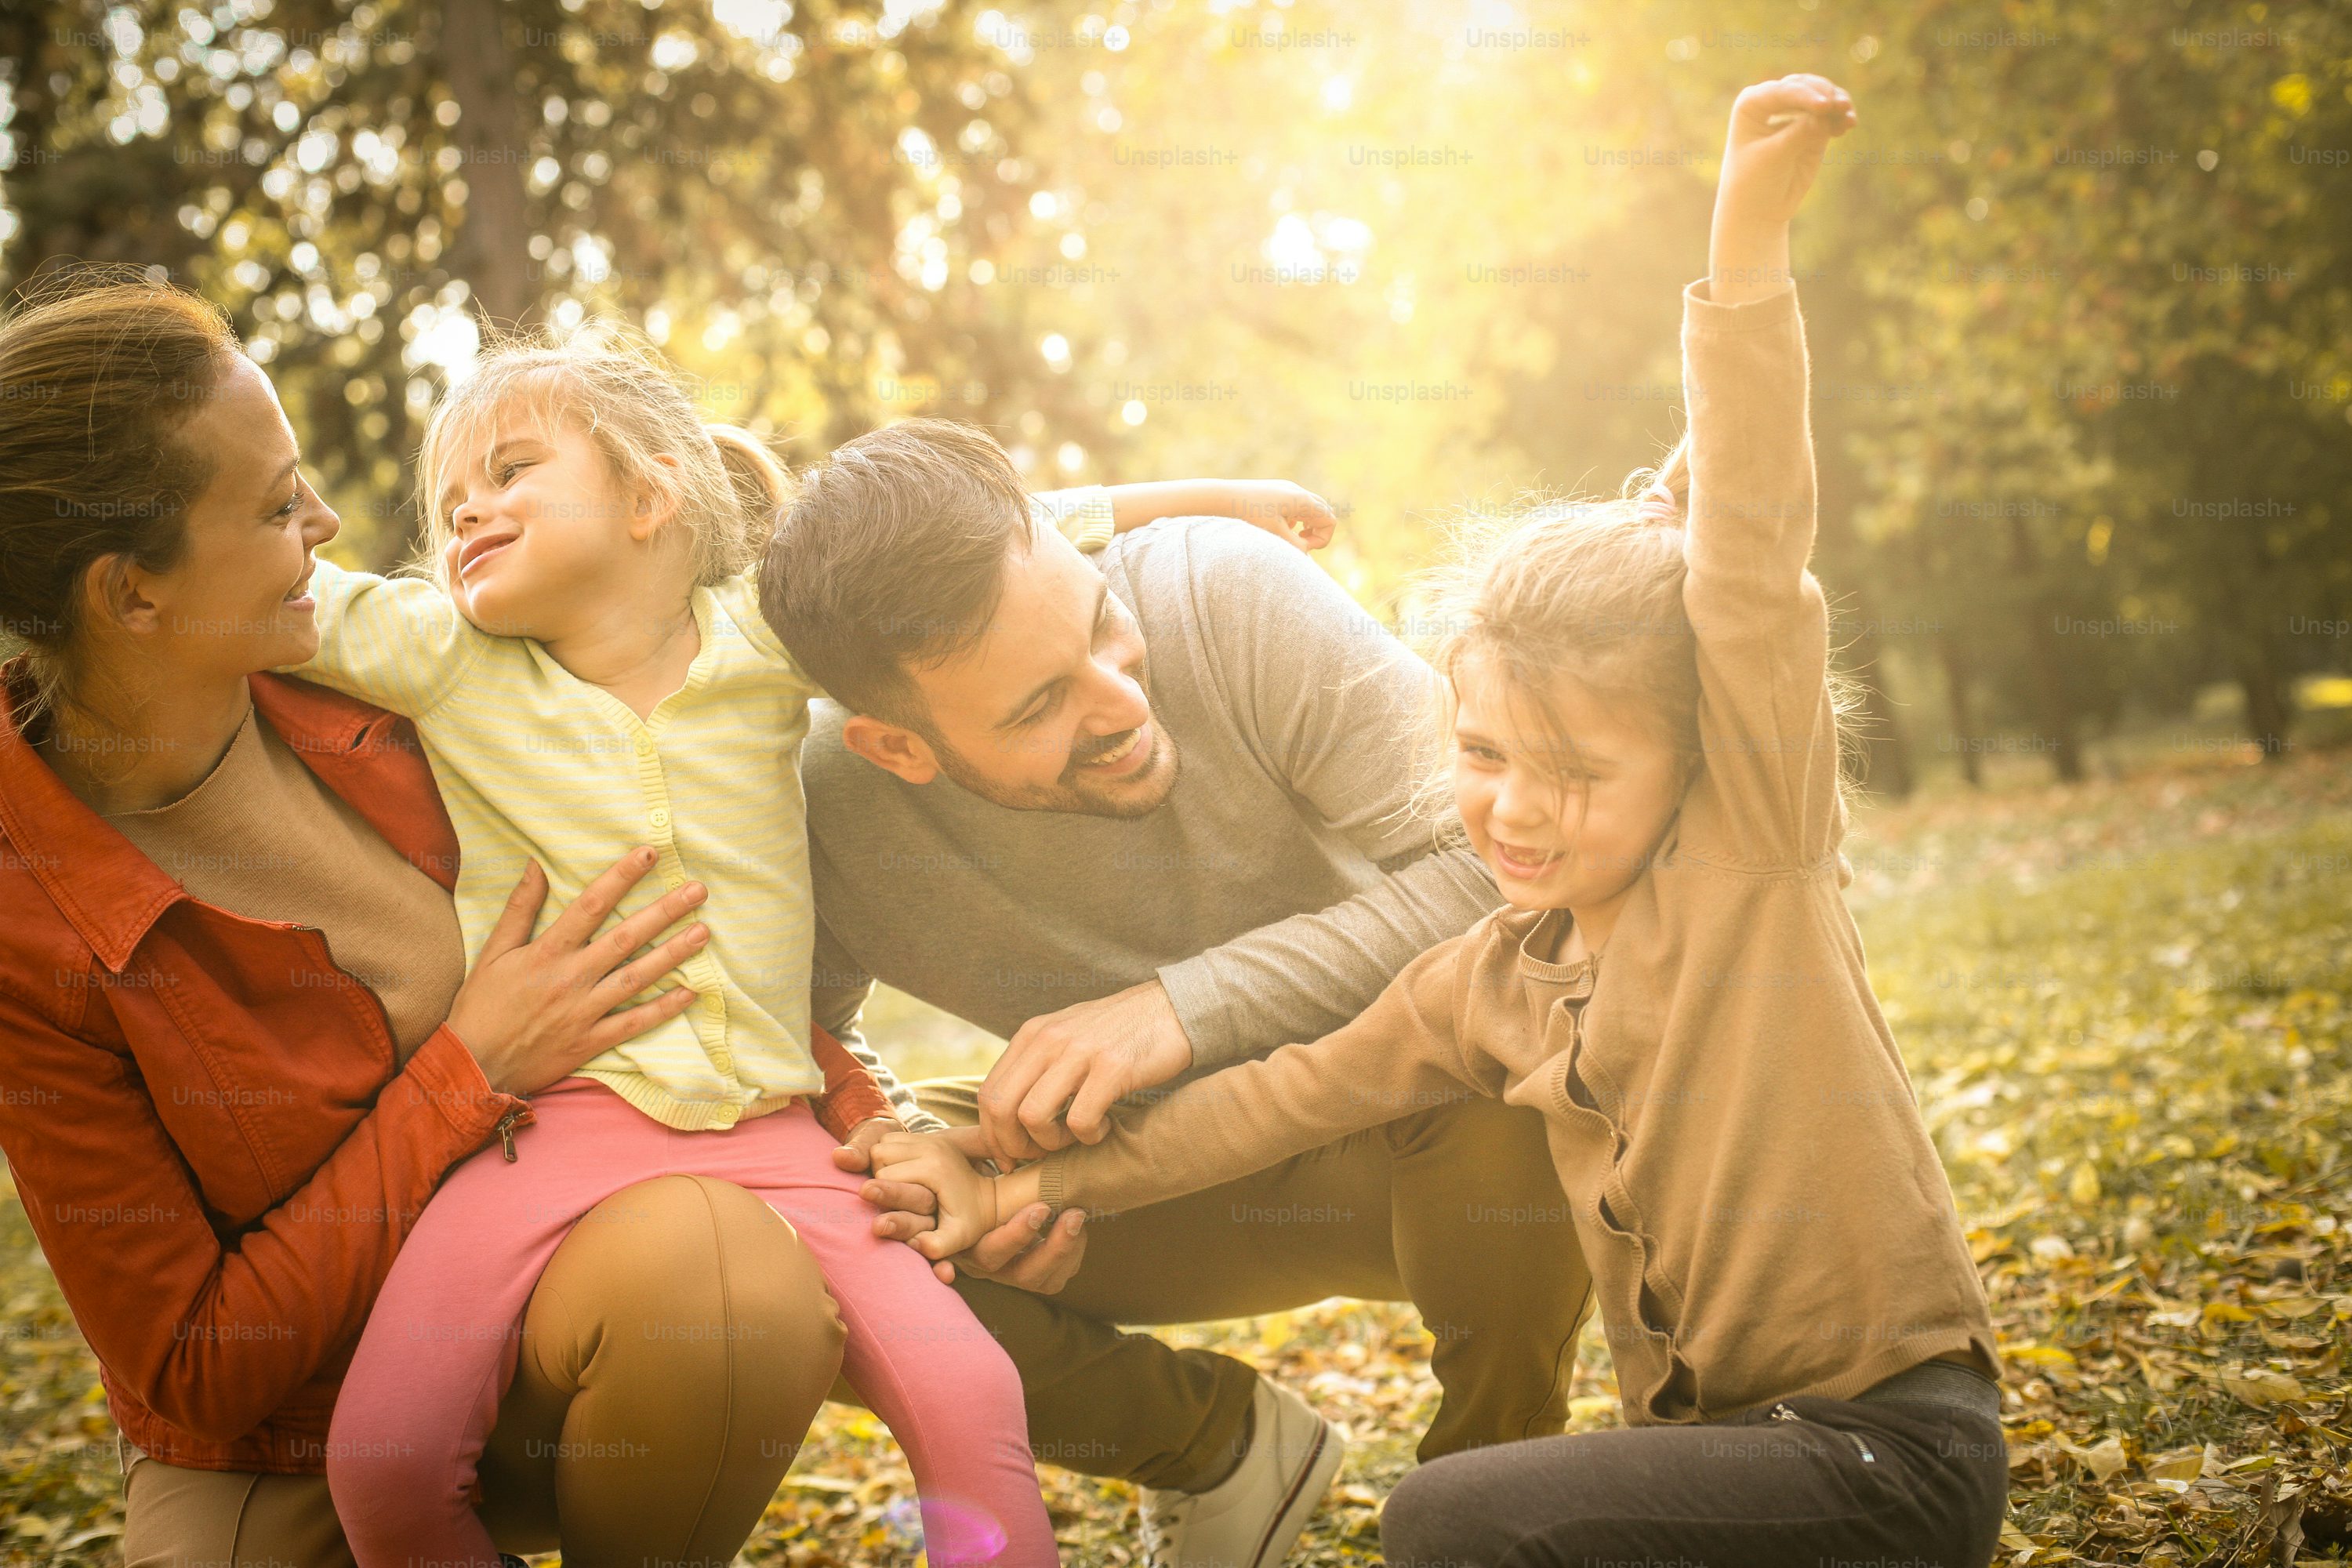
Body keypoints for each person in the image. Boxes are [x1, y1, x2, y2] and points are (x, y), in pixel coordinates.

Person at [872, 74, 2013, 1568]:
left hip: (1887, 1455)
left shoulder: (1755, 861)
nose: (1516, 809)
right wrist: (1014, 1181)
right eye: (1481, 751)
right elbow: (1258, 1104)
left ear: (1692, 756)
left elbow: (1748, 555)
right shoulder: (1491, 979)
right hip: (1733, 1469)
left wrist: (1744, 243)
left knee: (1454, 1521)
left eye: (1576, 774)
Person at [288, 323, 1332, 1568]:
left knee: (972, 1399)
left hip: (781, 1137)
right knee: (386, 1467)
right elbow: (269, 600)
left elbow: (976, 549)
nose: (467, 512)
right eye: (450, 501)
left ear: (647, 494)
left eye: (509, 472)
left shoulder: (759, 643)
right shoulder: (445, 659)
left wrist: (1213, 502)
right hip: (546, 1132)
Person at [0, 274, 870, 1568]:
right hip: (288, 1437)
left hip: (567, 1321)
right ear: (132, 596)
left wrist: (867, 1117)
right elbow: (193, 1362)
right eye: (274, 504)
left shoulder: (413, 686)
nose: (330, 520)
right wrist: (466, 1070)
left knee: (723, 1285)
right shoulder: (25, 923)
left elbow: (683, 917)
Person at [768, 420, 1593, 1567]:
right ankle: (1215, 1448)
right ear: (896, 748)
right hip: (1144, 1177)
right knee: (815, 1225)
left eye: (1102, 625)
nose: (1119, 704)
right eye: (1037, 706)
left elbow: (1501, 882)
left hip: (1431, 1146)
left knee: (1506, 1030)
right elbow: (792, 1039)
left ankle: (1486, 1496)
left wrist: (1179, 1007)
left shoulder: (1227, 592)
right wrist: (915, 1147)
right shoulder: (818, 805)